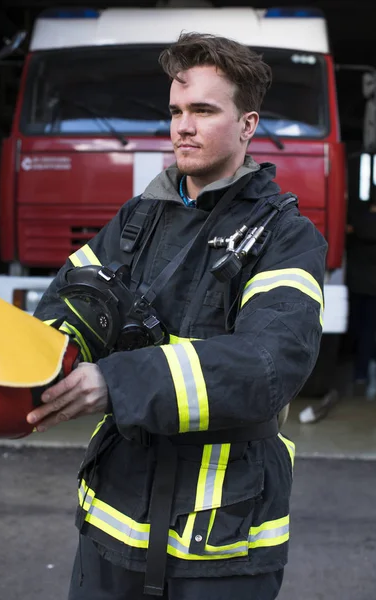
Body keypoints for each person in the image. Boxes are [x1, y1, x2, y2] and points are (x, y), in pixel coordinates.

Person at [26, 33, 327, 600]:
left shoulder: (287, 239)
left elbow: (268, 364)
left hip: (220, 542)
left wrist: (115, 380)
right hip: (111, 524)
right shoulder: (136, 220)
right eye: (176, 111)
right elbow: (70, 302)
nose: (182, 127)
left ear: (247, 124)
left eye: (204, 110)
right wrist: (38, 362)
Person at [346, 184, 376, 399]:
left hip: (356, 283)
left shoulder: (356, 224)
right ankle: (369, 367)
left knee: (356, 326)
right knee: (371, 329)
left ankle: (363, 370)